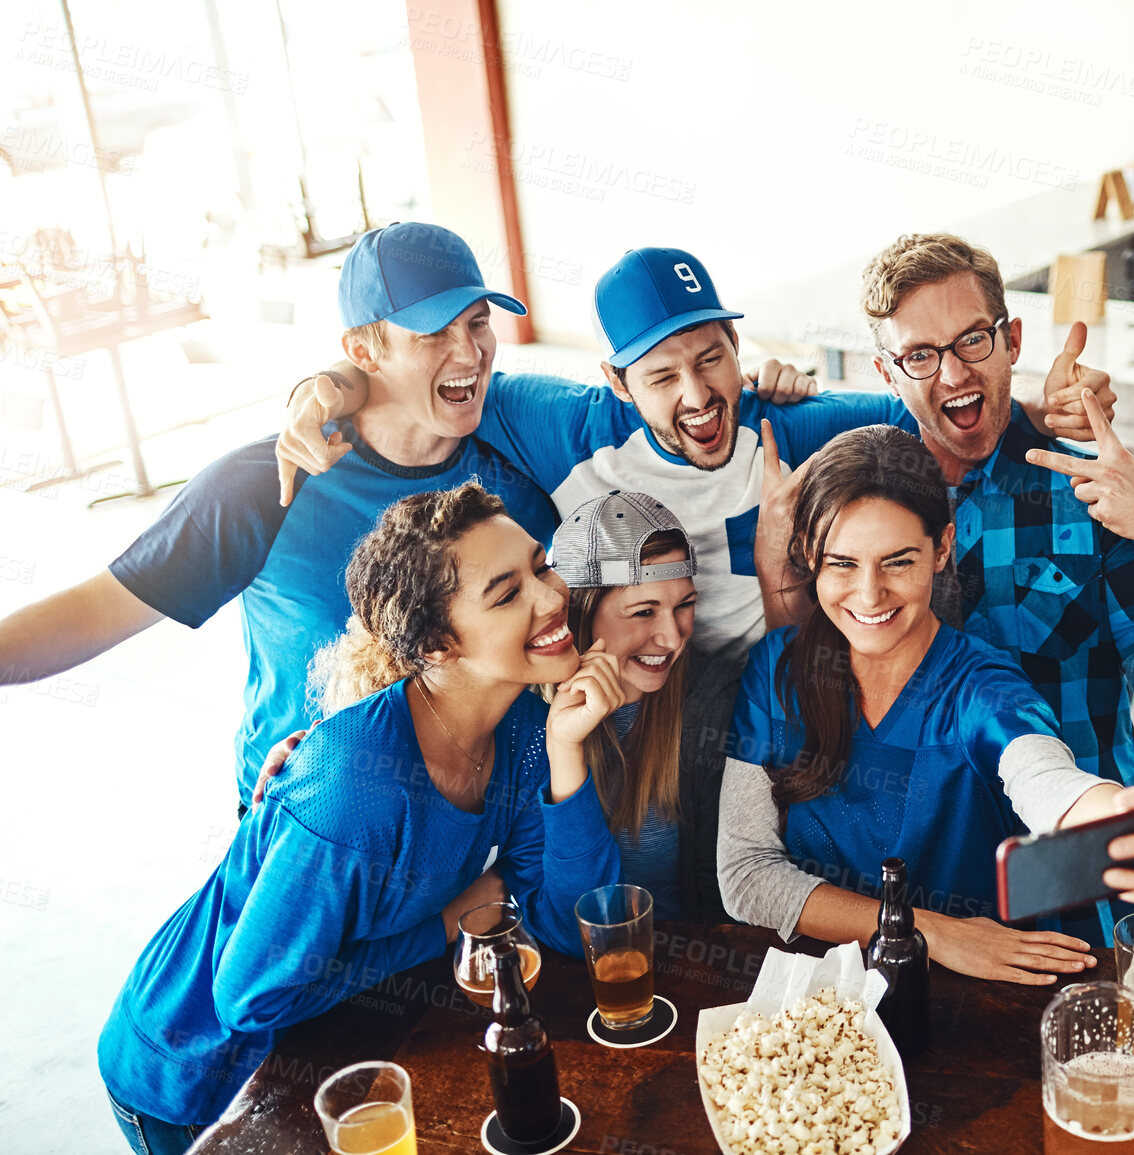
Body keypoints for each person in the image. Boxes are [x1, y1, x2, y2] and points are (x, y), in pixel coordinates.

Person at [97, 482, 624, 1153]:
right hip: (190, 1068)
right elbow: (248, 997)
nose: (554, 598)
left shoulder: (522, 731)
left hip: (324, 1046)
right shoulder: (352, 787)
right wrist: (443, 924)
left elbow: (563, 920)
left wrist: (565, 750)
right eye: (507, 592)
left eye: (541, 566)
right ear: (435, 645)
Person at [273, 245, 1114, 666]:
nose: (697, 395)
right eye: (662, 374)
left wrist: (1043, 405)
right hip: (653, 685)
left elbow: (928, 413)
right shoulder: (564, 424)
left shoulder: (787, 420)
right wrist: (337, 379)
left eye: (712, 357)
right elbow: (439, 375)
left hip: (778, 681)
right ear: (615, 380)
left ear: (738, 346)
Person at [0, 223, 561, 805]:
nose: (470, 352)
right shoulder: (266, 484)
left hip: (482, 815)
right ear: (362, 351)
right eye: (431, 332)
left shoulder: (521, 471)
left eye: (477, 322)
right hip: (308, 813)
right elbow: (96, 610)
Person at [718, 426, 1134, 985]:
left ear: (942, 548)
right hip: (820, 1000)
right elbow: (745, 876)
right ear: (808, 555)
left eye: (898, 562)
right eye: (842, 564)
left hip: (966, 999)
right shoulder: (775, 669)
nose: (869, 594)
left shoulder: (981, 685)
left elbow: (1045, 777)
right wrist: (927, 930)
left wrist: (1124, 817)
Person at [859, 232, 1134, 789]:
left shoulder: (1090, 493)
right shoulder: (862, 497)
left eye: (973, 340)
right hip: (921, 849)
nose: (953, 374)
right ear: (888, 373)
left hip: (1075, 839)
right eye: (920, 355)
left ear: (1012, 341)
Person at [547, 489, 727, 921]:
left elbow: (716, 895)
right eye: (644, 612)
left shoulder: (711, 700)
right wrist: (564, 748)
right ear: (580, 615)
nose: (672, 637)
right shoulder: (524, 714)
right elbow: (565, 915)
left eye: (684, 605)